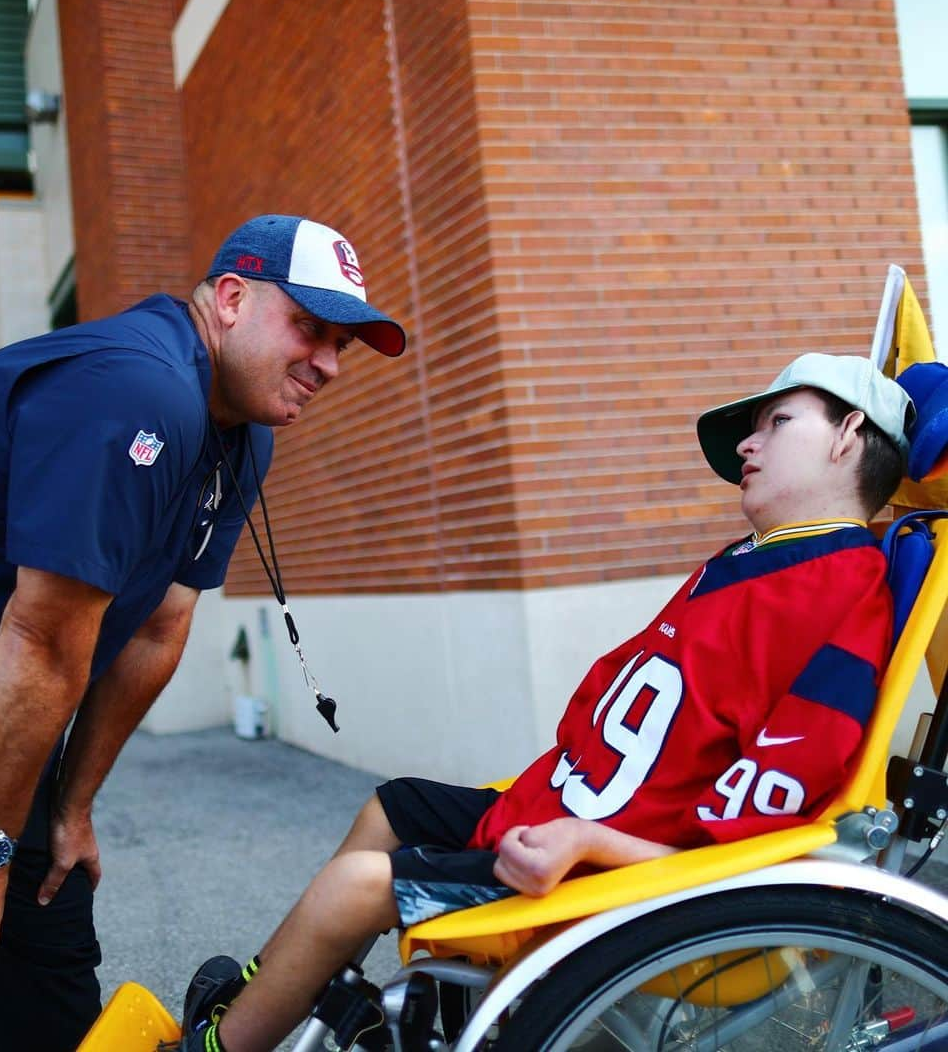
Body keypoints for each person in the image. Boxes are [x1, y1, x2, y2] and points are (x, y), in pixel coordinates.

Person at [175, 353, 913, 1052]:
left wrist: (592, 844)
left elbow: (758, 834)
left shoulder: (841, 597)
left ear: (849, 435)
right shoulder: (747, 561)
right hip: (569, 811)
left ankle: (221, 1043)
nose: (749, 445)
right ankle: (264, 986)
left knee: (354, 888)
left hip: (615, 871)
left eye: (777, 422)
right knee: (392, 807)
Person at [0, 214, 406, 1052]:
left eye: (343, 344)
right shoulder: (135, 388)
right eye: (309, 328)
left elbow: (160, 625)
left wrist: (72, 806)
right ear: (230, 299)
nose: (329, 365)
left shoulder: (245, 435)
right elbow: (45, 641)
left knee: (52, 956)